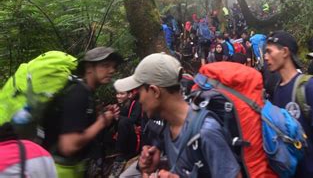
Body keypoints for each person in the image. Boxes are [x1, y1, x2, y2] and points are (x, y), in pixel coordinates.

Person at [114, 53, 241, 178]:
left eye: (139, 93)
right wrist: (156, 165)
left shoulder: (206, 131)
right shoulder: (169, 127)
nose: (139, 100)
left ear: (154, 91)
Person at [264, 31, 313, 178]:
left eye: (269, 51)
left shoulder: (311, 87)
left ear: (285, 52)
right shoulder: (277, 89)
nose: (265, 57)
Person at [42, 47, 123, 178]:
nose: (112, 70)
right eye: (105, 65)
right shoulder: (79, 94)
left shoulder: (85, 92)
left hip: (71, 168)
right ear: (89, 67)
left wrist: (99, 118)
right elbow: (69, 146)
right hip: (62, 170)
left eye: (114, 66)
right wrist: (102, 122)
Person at [110, 90, 143, 177]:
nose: (118, 96)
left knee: (123, 122)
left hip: (136, 139)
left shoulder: (136, 104)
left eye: (121, 94)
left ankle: (119, 158)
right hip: (123, 138)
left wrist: (118, 117)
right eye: (117, 93)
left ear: (130, 95)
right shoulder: (121, 106)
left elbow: (132, 120)